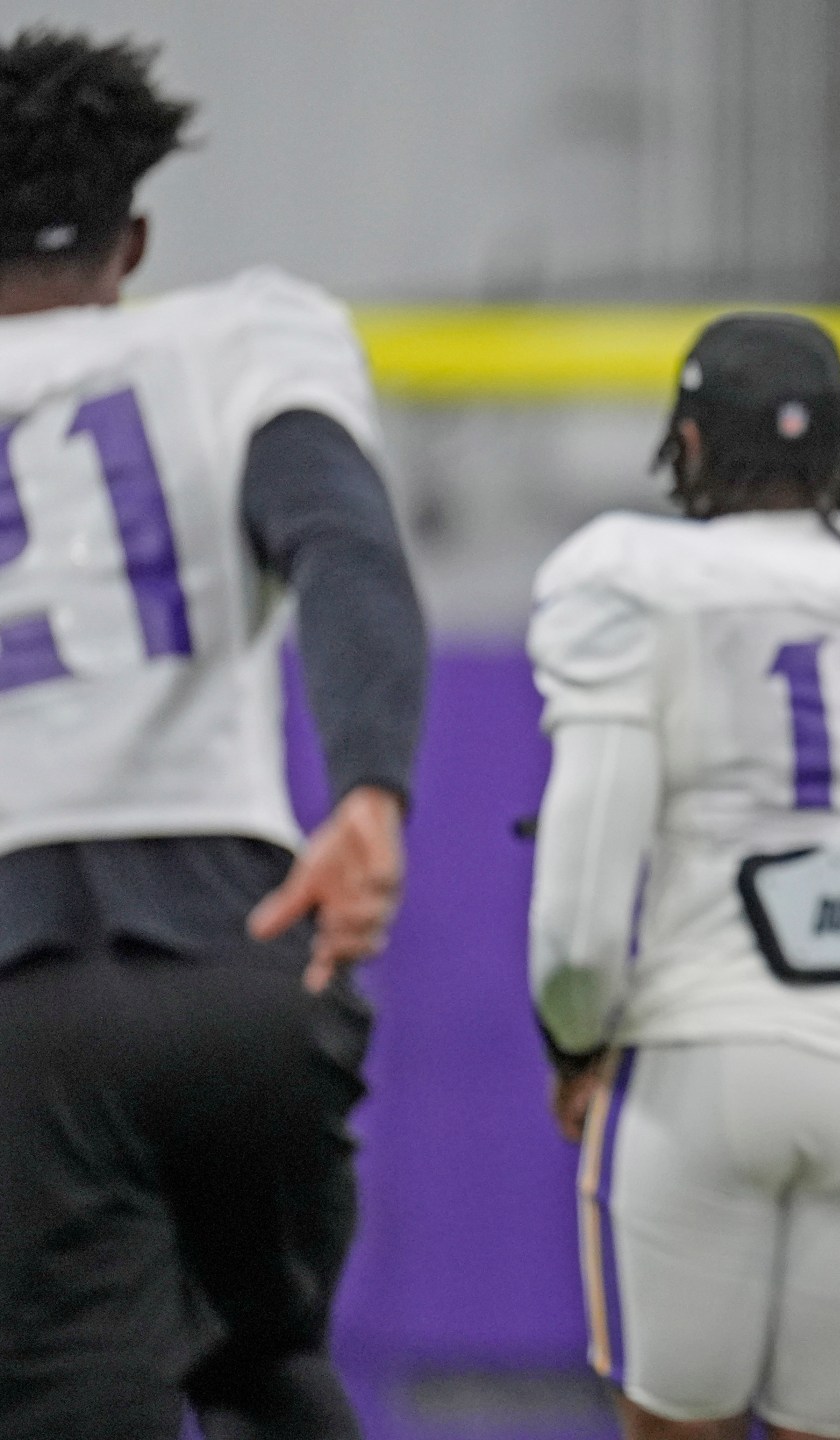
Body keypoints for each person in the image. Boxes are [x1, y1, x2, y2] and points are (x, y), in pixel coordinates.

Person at [0, 30, 426, 1440]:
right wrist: (370, 787)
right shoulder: (242, 332)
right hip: (247, 956)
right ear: (134, 235)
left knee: (70, 1386)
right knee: (261, 1354)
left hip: (23, 987)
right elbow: (342, 541)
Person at [527, 313, 840, 1440]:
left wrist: (573, 1034)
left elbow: (583, 900)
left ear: (686, 444)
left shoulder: (638, 578)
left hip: (703, 1054)